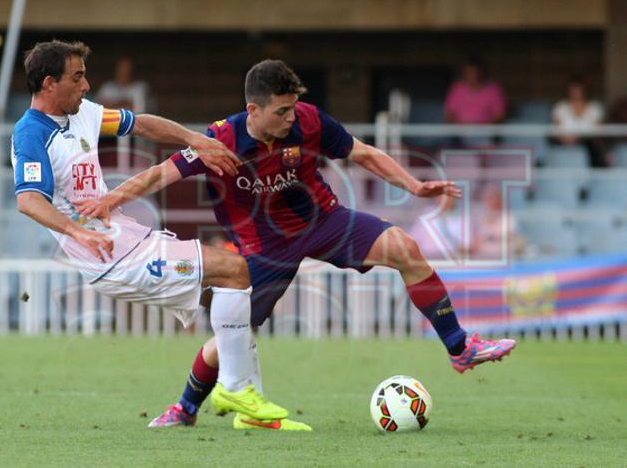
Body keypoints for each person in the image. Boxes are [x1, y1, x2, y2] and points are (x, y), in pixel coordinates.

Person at [75, 59, 517, 431]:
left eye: (293, 109)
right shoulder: (221, 139)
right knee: (234, 336)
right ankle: (186, 407)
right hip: (263, 247)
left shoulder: (308, 120)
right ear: (254, 108)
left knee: (405, 249)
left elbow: (361, 152)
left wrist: (414, 185)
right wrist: (109, 201)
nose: (292, 117)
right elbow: (160, 175)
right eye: (282, 111)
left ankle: (459, 347)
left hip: (325, 221)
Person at [11, 40, 292, 430]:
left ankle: (224, 401)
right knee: (234, 270)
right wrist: (79, 233)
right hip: (111, 258)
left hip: (129, 238)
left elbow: (140, 123)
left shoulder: (84, 114)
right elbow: (29, 201)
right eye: (77, 77)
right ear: (48, 84)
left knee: (234, 288)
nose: (87, 85)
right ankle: (235, 388)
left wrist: (195, 139)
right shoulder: (30, 135)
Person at [444, 56, 507, 147]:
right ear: (464, 73)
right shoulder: (457, 88)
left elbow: (500, 115)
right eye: (469, 72)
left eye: (475, 72)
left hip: (487, 135)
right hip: (460, 135)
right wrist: (463, 128)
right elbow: (449, 115)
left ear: (482, 72)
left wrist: (482, 129)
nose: (473, 75)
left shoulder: (493, 88)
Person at [552, 76, 606, 167]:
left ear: (585, 90)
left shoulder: (595, 107)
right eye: (572, 89)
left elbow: (599, 131)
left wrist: (579, 137)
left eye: (578, 89)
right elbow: (555, 129)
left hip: (589, 143)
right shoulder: (560, 107)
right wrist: (566, 140)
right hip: (564, 142)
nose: (575, 92)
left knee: (594, 146)